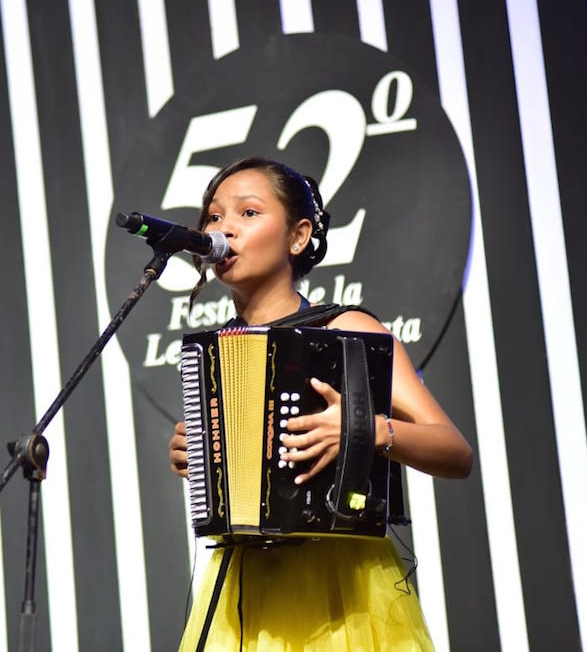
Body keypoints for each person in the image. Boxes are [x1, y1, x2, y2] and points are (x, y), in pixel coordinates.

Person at [168, 157, 473, 651]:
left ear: (298, 235)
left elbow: (455, 452)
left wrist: (367, 430)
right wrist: (198, 452)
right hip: (244, 587)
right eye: (214, 216)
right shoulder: (217, 353)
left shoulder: (347, 328)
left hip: (342, 589)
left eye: (248, 213)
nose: (224, 229)